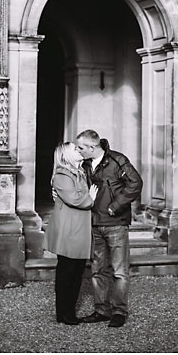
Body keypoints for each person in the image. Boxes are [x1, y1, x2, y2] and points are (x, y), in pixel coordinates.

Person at [75, 130, 143, 328]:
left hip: (116, 224)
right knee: (98, 270)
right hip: (95, 224)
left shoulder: (117, 160)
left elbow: (136, 183)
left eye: (81, 148)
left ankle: (119, 311)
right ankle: (101, 310)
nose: (78, 151)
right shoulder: (85, 164)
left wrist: (116, 205)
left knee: (120, 271)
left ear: (92, 147)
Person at [44, 142, 98, 325]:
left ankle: (69, 312)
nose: (79, 150)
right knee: (67, 272)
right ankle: (64, 313)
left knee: (76, 273)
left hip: (78, 229)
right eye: (75, 149)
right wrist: (91, 197)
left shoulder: (80, 172)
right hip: (69, 230)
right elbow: (76, 200)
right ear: (65, 155)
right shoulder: (61, 174)